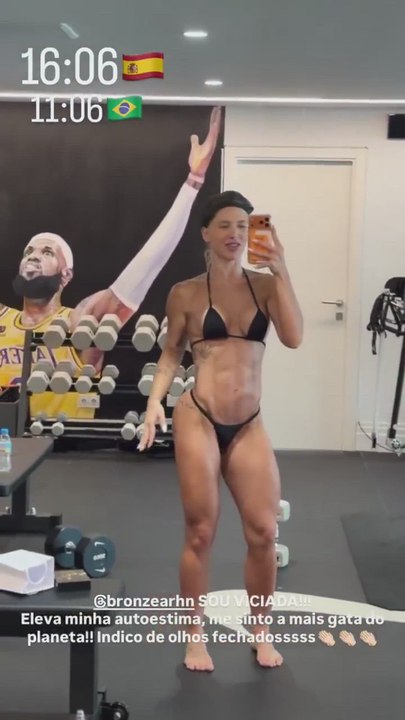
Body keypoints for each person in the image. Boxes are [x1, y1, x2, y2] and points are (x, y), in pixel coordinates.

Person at [139, 190, 303, 672]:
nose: (236, 234)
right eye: (226, 225)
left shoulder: (266, 285)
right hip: (200, 416)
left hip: (248, 422)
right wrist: (153, 402)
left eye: (244, 226)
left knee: (264, 531)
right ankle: (195, 636)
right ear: (206, 233)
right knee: (201, 531)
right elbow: (172, 352)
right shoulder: (185, 293)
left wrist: (282, 268)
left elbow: (293, 337)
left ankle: (260, 630)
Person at [0, 107, 221, 420]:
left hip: (62, 441)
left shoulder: (80, 319)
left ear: (66, 275)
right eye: (29, 251)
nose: (33, 255)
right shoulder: (3, 318)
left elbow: (145, 266)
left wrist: (193, 181)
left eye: (47, 252)